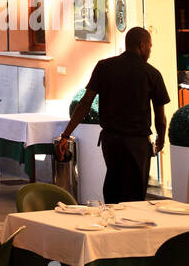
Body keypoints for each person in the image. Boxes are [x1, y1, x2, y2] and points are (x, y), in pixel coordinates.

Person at [58, 27, 170, 204]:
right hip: (137, 143)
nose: (150, 50)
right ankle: (131, 227)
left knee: (113, 185)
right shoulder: (152, 74)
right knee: (135, 193)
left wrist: (65, 134)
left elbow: (85, 103)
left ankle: (111, 223)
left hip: (111, 141)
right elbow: (160, 118)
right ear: (142, 46)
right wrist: (161, 140)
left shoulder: (104, 67)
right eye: (149, 46)